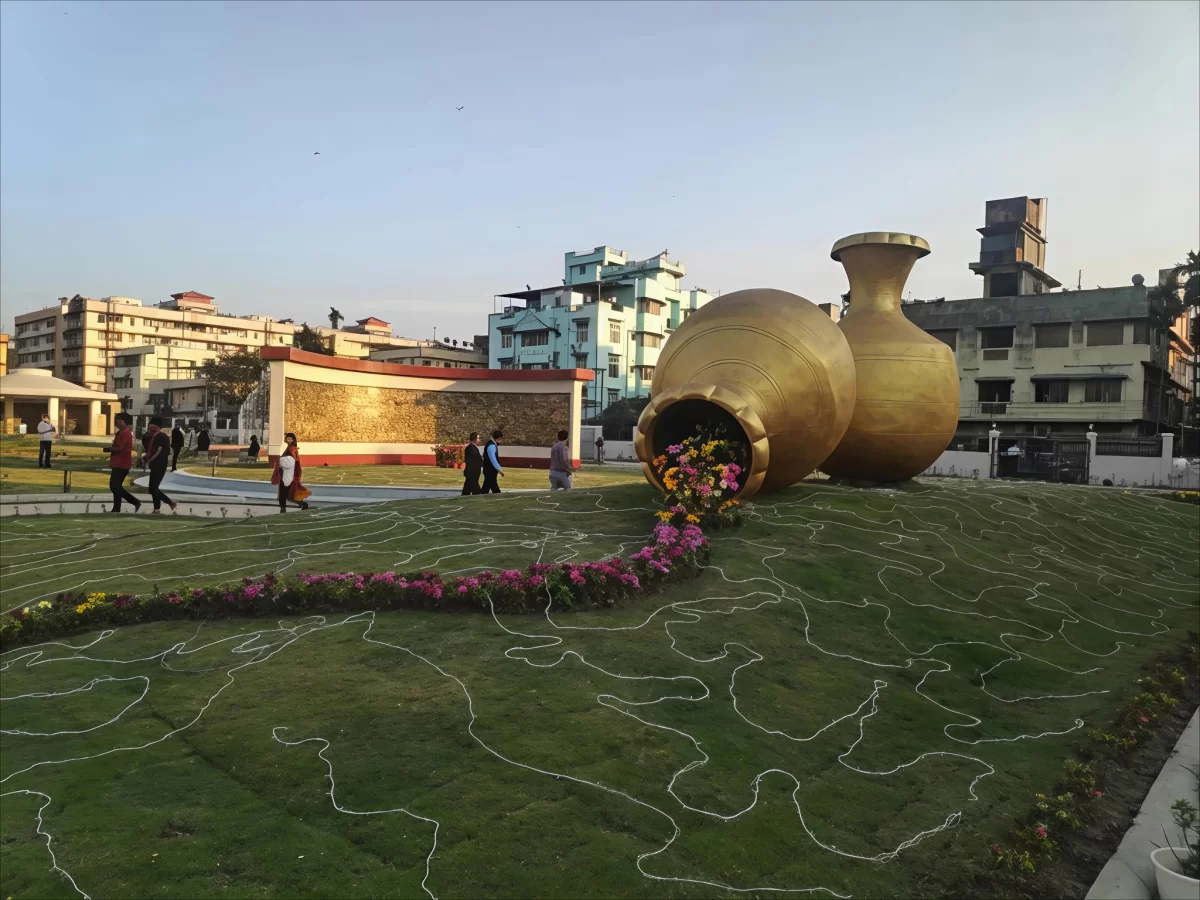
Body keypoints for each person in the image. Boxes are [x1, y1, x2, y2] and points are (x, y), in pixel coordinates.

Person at [104, 414, 141, 514]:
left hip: (122, 462)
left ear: (122, 421)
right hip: (118, 462)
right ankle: (116, 509)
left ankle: (134, 501)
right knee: (116, 487)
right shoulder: (121, 432)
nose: (115, 423)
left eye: (117, 421)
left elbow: (121, 448)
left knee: (114, 486)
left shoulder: (125, 433)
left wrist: (109, 449)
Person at [143, 417, 177, 513]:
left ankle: (169, 503)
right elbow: (149, 449)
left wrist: (148, 460)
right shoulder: (152, 436)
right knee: (153, 488)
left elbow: (158, 451)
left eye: (152, 426)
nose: (150, 428)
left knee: (153, 488)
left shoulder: (162, 436)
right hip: (154, 464)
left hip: (160, 464)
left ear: (157, 427)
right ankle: (158, 508)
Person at [271, 432, 311, 513]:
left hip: (287, 474)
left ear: (293, 440)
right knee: (287, 494)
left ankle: (285, 509)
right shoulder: (290, 448)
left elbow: (291, 461)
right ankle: (299, 505)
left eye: (290, 438)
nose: (288, 440)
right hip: (286, 473)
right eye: (287, 438)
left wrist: (280, 461)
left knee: (285, 494)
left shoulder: (292, 449)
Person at [482, 429, 504, 494]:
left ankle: (481, 496)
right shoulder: (492, 446)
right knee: (494, 487)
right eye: (501, 439)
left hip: (488, 469)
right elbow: (493, 459)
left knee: (486, 487)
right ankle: (499, 496)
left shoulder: (490, 444)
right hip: (490, 470)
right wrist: (499, 468)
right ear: (498, 438)